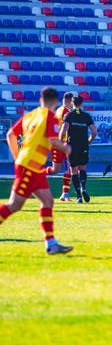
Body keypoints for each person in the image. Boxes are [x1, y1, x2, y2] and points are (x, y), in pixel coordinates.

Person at [0, 87, 73, 255]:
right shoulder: (50, 117)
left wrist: (17, 157)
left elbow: (11, 134)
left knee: (48, 201)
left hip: (34, 166)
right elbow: (54, 141)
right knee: (14, 204)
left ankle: (51, 244)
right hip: (29, 166)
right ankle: (51, 243)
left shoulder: (30, 115)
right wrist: (66, 148)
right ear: (56, 101)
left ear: (41, 100)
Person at [60, 96, 97, 204]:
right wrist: (89, 140)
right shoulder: (86, 116)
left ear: (72, 103)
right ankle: (83, 188)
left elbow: (63, 130)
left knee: (74, 171)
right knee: (83, 169)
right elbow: (94, 131)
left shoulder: (69, 115)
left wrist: (60, 142)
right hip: (83, 146)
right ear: (82, 104)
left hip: (72, 146)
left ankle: (78, 197)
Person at [45, 91, 73, 201]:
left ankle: (65, 194)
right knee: (59, 170)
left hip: (58, 143)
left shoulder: (59, 110)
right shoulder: (67, 112)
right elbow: (65, 128)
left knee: (64, 169)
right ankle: (38, 174)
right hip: (62, 143)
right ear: (71, 101)